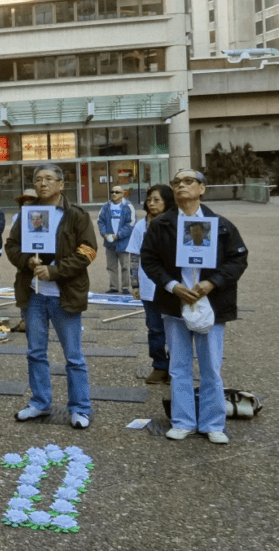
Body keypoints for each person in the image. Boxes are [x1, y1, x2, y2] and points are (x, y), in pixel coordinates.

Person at [140, 169, 248, 444]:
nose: (180, 186)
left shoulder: (221, 225)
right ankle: (183, 421)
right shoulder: (161, 224)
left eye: (188, 181)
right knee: (179, 366)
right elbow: (149, 260)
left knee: (211, 367)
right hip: (175, 304)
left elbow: (238, 259)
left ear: (202, 189)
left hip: (211, 304)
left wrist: (212, 283)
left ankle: (213, 423)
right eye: (176, 182)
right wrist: (171, 286)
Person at [5, 164, 97, 430]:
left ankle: (80, 408)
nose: (42, 184)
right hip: (33, 294)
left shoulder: (76, 215)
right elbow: (10, 246)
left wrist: (55, 271)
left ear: (61, 184)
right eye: (37, 179)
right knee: (35, 352)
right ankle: (40, 402)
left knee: (73, 355)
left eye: (48, 179)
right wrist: (27, 262)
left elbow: (88, 251)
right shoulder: (27, 214)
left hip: (64, 294)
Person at [126, 184, 175, 385]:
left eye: (157, 200)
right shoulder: (140, 226)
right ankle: (159, 365)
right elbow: (134, 258)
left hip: (172, 286)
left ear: (167, 202)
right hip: (148, 286)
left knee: (174, 328)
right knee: (154, 328)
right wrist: (135, 285)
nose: (152, 204)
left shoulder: (175, 223)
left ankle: (176, 366)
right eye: (149, 200)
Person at [7, 189, 38, 333]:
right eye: (24, 199)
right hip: (23, 258)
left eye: (30, 199)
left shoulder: (43, 215)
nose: (27, 201)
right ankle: (24, 317)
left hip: (40, 257)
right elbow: (13, 242)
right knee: (22, 288)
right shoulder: (17, 218)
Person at [98, 186, 136, 294]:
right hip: (109, 243)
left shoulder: (128, 206)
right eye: (112, 192)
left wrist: (118, 235)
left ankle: (125, 288)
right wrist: (104, 234)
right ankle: (114, 287)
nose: (114, 194)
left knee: (125, 266)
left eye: (117, 192)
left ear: (122, 194)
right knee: (111, 267)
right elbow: (100, 221)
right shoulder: (106, 206)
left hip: (123, 242)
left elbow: (131, 224)